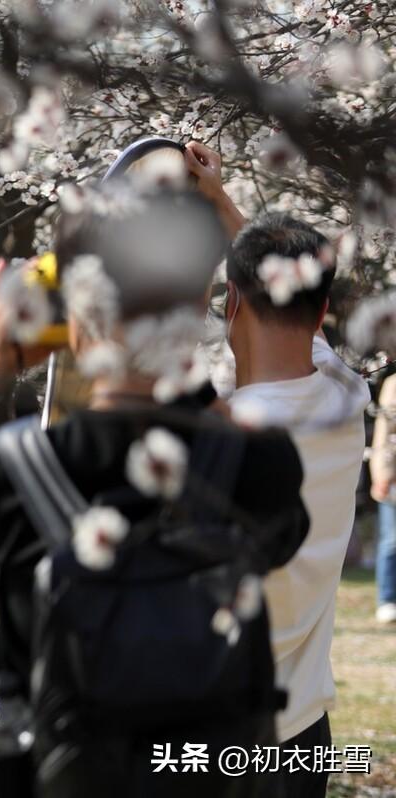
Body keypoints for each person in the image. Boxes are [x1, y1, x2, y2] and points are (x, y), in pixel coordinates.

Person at [0, 189, 310, 797]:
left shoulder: (16, 469)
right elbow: (279, 539)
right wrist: (179, 369)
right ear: (198, 306)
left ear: (70, 307)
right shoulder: (256, 463)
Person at [192, 152, 370, 798]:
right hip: (302, 736)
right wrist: (224, 205)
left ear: (231, 298)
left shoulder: (219, 440)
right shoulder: (346, 397)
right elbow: (285, 300)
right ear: (322, 313)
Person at [369, 374, 396, 624]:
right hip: (395, 478)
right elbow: (384, 435)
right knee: (392, 540)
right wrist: (383, 474)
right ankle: (387, 598)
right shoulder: (393, 385)